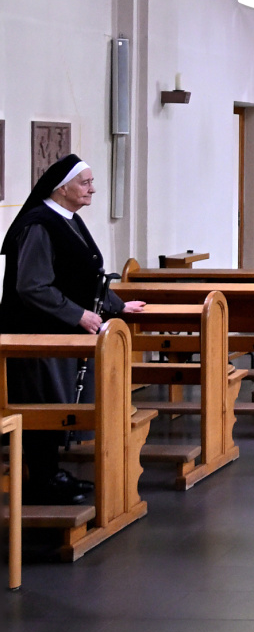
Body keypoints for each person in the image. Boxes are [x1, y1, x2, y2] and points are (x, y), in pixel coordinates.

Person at [0, 155, 144, 503]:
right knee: (42, 403)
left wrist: (118, 306)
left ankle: (52, 475)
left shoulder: (67, 219)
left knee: (55, 400)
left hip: (57, 331)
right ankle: (42, 481)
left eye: (92, 182)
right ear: (61, 188)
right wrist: (78, 315)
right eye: (85, 182)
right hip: (35, 333)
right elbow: (32, 286)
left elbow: (86, 276)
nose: (92, 189)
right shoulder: (39, 224)